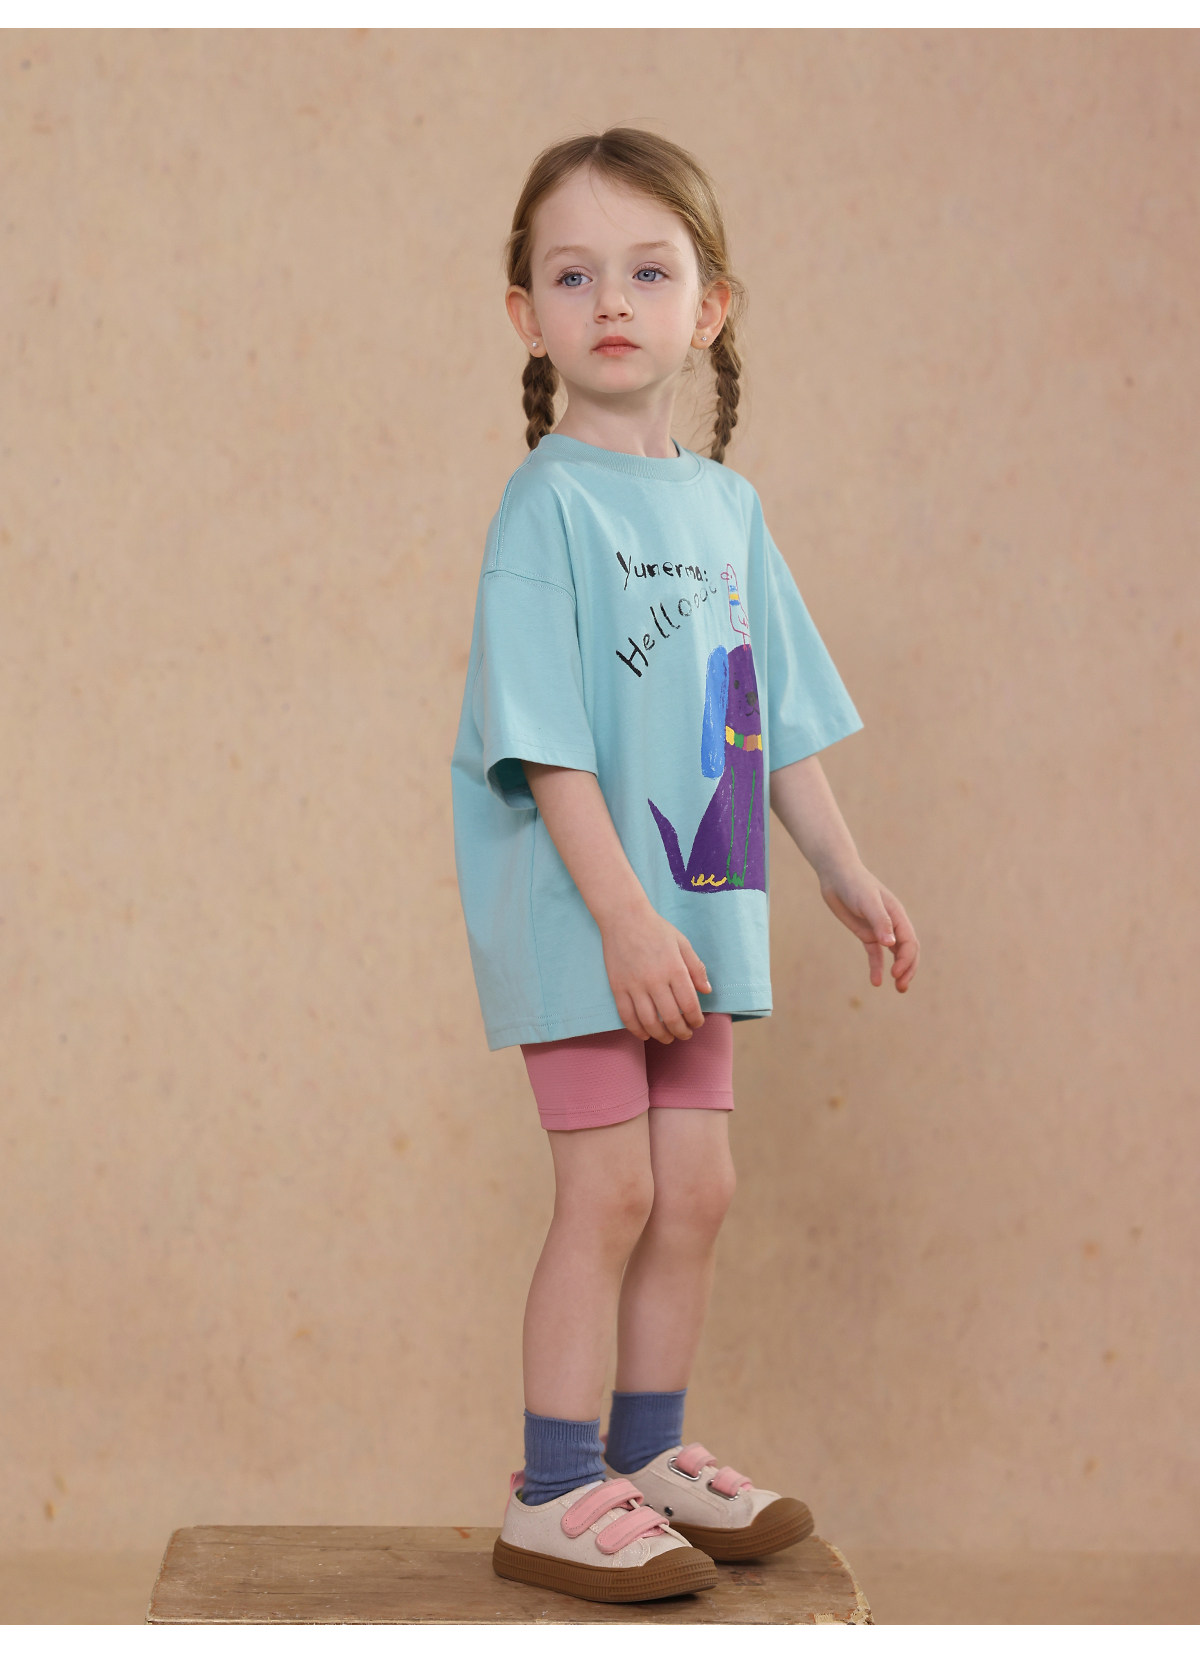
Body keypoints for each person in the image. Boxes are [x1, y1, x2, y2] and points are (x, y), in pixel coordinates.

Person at [450, 127, 919, 1605]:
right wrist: (622, 919)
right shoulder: (547, 507)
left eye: (649, 271)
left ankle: (646, 1455)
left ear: (709, 306)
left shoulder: (727, 510)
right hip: (590, 914)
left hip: (700, 919)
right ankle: (551, 1487)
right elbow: (546, 747)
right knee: (607, 1194)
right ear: (526, 314)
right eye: (572, 274)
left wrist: (842, 868)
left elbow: (768, 715)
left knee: (696, 1189)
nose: (611, 299)